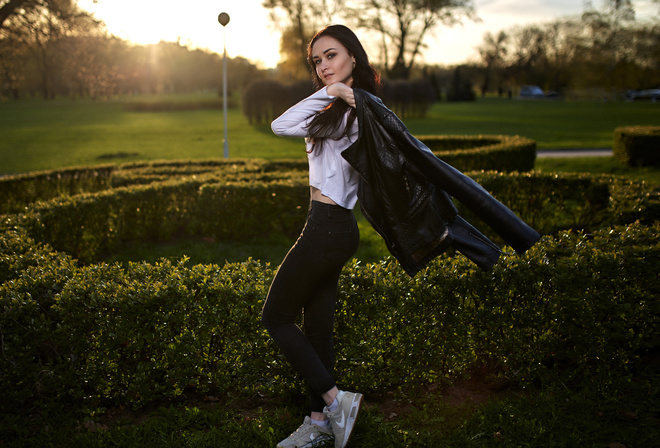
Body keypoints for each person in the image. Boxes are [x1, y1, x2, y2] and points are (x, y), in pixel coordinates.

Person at [261, 24, 380, 448]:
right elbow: (282, 124)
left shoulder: (361, 109)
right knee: (318, 331)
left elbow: (277, 126)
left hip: (328, 227)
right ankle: (319, 424)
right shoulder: (333, 105)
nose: (324, 66)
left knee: (275, 317)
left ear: (352, 55)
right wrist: (329, 92)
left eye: (331, 55)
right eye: (317, 60)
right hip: (332, 225)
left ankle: (335, 401)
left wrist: (343, 95)